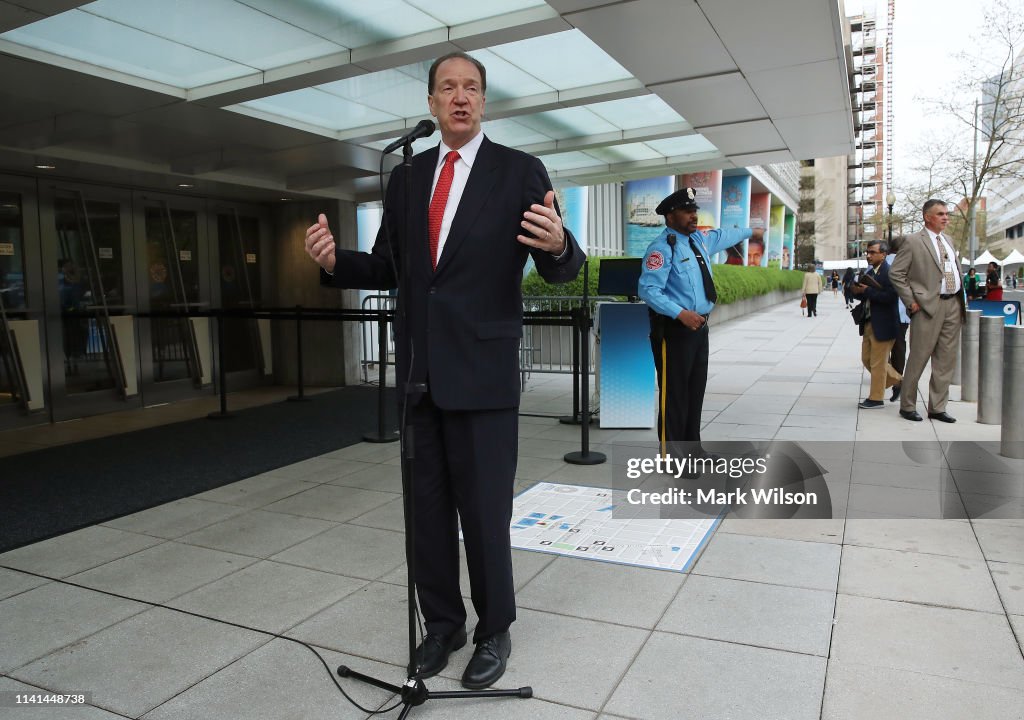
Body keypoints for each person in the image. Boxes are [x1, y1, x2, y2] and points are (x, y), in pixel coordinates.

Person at [303, 52, 584, 689]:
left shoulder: (518, 172)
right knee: (425, 512)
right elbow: (388, 269)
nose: (460, 98)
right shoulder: (406, 179)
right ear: (430, 103)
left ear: (484, 102)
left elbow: (560, 265)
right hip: (419, 376)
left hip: (481, 373)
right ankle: (443, 625)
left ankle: (494, 630)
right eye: (448, 88)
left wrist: (561, 244)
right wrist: (333, 262)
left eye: (472, 89)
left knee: (485, 512)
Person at [639, 187, 764, 446]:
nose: (694, 216)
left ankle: (692, 451)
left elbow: (725, 235)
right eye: (687, 211)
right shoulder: (661, 249)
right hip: (674, 330)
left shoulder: (699, 240)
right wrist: (681, 313)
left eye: (695, 210)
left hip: (699, 328)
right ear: (671, 216)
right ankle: (673, 459)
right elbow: (648, 289)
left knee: (695, 393)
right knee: (674, 396)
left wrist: (752, 231)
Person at [889, 199, 965, 422]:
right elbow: (896, 273)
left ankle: (937, 407)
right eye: (940, 214)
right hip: (926, 307)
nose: (945, 217)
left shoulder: (948, 240)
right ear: (927, 217)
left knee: (946, 360)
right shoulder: (913, 241)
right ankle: (907, 405)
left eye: (946, 214)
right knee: (919, 357)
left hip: (953, 305)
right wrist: (911, 302)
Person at [853, 241, 902, 408]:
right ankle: (898, 380)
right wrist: (858, 291)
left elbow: (891, 297)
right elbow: (868, 295)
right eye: (867, 252)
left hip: (884, 324)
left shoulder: (889, 272)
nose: (869, 255)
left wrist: (867, 290)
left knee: (877, 363)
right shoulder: (871, 272)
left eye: (873, 252)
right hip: (869, 322)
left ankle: (876, 398)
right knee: (866, 359)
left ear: (884, 254)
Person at [885, 241, 910, 402]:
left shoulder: (884, 262)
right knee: (899, 347)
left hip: (885, 312)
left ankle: (892, 378)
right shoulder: (910, 263)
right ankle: (897, 380)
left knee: (881, 348)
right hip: (903, 312)